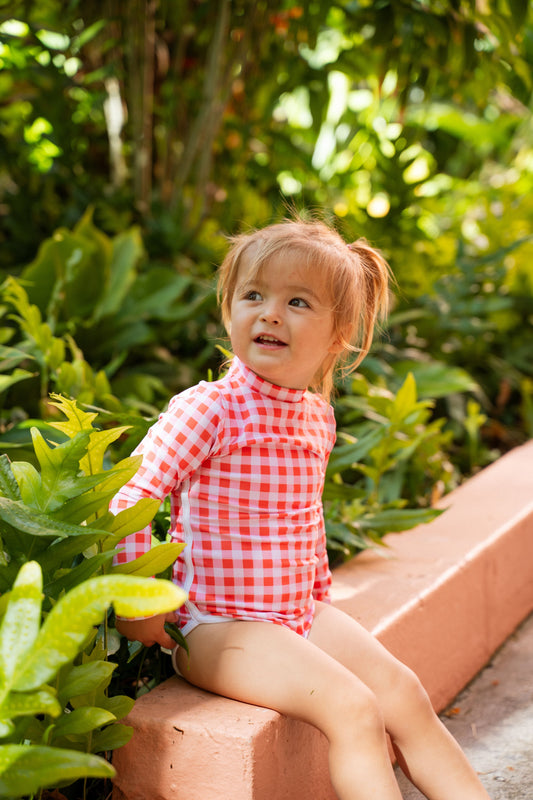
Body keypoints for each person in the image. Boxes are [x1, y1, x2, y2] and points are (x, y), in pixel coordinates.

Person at [110, 218, 491, 800]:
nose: (269, 313)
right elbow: (132, 492)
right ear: (229, 308)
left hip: (297, 613)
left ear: (338, 333)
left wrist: (317, 593)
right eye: (253, 296)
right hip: (219, 625)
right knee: (353, 709)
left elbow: (303, 519)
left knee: (403, 693)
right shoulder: (209, 409)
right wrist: (140, 605)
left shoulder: (316, 417)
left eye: (297, 302)